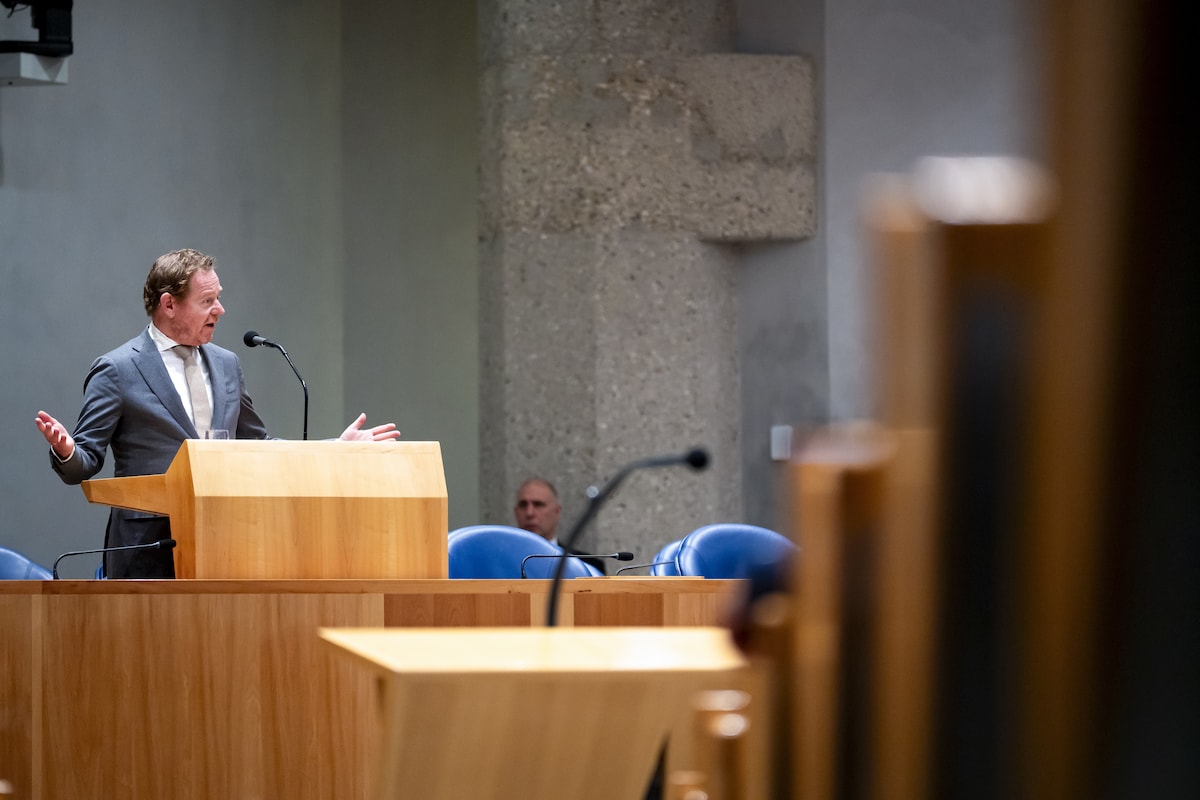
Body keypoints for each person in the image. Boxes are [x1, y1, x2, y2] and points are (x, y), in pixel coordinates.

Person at [35, 248, 400, 578]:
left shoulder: (227, 365)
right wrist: (66, 450)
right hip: (147, 549)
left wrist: (336, 446)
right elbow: (84, 462)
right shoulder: (117, 369)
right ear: (169, 304)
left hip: (224, 542)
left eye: (218, 298)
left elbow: (258, 445)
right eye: (207, 300)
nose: (220, 310)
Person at [513, 477, 607, 574]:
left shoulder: (587, 566)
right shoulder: (500, 561)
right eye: (523, 505)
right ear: (516, 512)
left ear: (556, 511)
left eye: (538, 504)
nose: (529, 513)